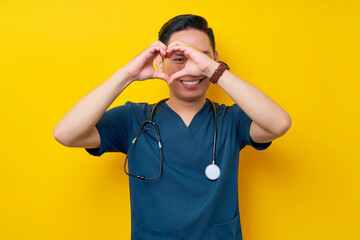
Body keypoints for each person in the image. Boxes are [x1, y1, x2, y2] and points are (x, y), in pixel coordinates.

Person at [54, 14, 291, 240]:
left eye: (201, 57)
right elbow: (65, 134)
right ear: (160, 61)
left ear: (214, 59)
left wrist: (212, 69)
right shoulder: (133, 119)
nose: (192, 69)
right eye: (179, 58)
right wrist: (127, 75)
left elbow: (279, 123)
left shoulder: (232, 120)